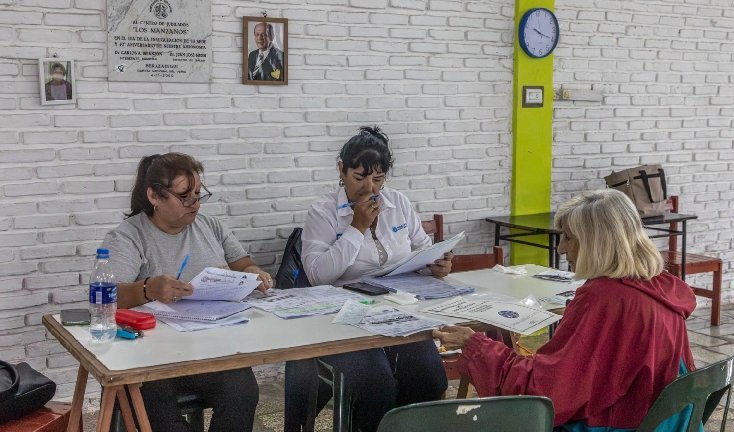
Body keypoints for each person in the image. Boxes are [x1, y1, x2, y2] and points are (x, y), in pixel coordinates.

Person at [433, 189, 697, 431]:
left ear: (596, 242)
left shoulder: (604, 299)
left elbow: (544, 393)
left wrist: (476, 345)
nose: (560, 248)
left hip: (617, 424)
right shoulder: (661, 286)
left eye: (568, 238)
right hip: (662, 420)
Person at [101, 152, 273, 432]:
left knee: (242, 391)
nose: (195, 204)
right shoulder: (128, 236)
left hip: (210, 347)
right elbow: (105, 296)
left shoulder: (210, 226)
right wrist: (147, 289)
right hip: (149, 356)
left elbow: (243, 264)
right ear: (154, 196)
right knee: (159, 413)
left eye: (198, 194)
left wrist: (254, 272)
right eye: (184, 197)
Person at [300, 126, 453, 432]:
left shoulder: (398, 203)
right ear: (341, 170)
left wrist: (435, 265)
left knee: (430, 377)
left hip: (399, 311)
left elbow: (421, 250)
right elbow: (318, 275)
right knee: (377, 385)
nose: (369, 188)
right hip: (344, 317)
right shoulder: (323, 212)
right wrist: (356, 227)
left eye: (378, 179)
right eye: (359, 177)